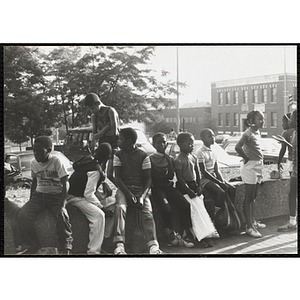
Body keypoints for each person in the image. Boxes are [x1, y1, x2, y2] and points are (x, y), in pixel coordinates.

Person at [18, 136, 73, 254]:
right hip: (39, 196)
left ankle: (65, 247)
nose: (36, 154)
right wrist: (30, 199)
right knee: (23, 214)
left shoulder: (56, 161)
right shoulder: (33, 163)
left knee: (62, 216)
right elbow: (34, 182)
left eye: (39, 151)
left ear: (48, 150)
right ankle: (34, 245)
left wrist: (62, 204)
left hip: (55, 196)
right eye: (34, 151)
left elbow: (66, 183)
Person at [112, 127, 162, 254]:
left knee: (147, 211)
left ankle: (153, 245)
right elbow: (117, 178)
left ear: (129, 141)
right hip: (124, 189)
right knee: (120, 208)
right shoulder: (118, 155)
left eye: (121, 139)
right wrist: (128, 194)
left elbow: (148, 180)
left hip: (140, 189)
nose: (118, 141)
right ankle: (119, 244)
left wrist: (142, 196)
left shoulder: (143, 156)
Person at [67, 143, 113, 255]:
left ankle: (103, 240)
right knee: (99, 215)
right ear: (108, 157)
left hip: (77, 193)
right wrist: (101, 207)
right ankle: (94, 251)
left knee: (112, 203)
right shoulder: (95, 169)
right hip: (75, 197)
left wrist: (103, 182)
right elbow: (88, 194)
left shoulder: (88, 160)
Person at [150, 132, 194, 248]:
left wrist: (169, 162)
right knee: (166, 208)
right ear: (153, 144)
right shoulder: (150, 159)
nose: (162, 145)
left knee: (185, 204)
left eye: (164, 142)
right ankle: (169, 232)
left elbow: (170, 177)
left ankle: (184, 233)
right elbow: (150, 178)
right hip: (157, 189)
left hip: (168, 187)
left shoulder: (169, 158)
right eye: (159, 143)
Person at [174, 132, 215, 247]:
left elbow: (197, 173)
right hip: (184, 188)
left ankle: (206, 235)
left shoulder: (194, 157)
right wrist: (188, 191)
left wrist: (199, 186)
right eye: (189, 144)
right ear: (180, 144)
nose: (192, 146)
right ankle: (196, 237)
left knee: (201, 210)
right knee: (193, 212)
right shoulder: (178, 160)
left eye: (192, 144)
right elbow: (180, 178)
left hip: (193, 186)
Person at [235, 110, 266, 238]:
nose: (262, 121)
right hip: (250, 167)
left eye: (263, 119)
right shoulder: (247, 133)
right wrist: (246, 158)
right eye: (260, 119)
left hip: (258, 165)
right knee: (249, 197)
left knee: (253, 196)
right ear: (251, 122)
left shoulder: (257, 132)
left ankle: (252, 221)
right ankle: (249, 226)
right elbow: (237, 147)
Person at [195, 128, 236, 216]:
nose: (213, 138)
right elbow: (204, 171)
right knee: (220, 192)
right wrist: (219, 183)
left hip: (214, 176)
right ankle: (217, 214)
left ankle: (229, 209)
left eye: (213, 135)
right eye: (209, 136)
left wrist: (222, 181)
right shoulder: (200, 152)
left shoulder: (214, 150)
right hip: (204, 179)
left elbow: (216, 170)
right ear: (203, 138)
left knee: (232, 188)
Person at [84, 92, 120, 184]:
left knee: (110, 174)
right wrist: (106, 129)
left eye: (92, 108)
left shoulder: (110, 111)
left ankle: (119, 190)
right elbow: (94, 136)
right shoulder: (94, 116)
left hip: (113, 145)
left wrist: (101, 133)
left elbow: (114, 133)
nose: (92, 111)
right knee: (98, 172)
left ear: (98, 103)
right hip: (102, 146)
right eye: (89, 109)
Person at [278, 109, 297, 231]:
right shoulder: (295, 132)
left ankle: (292, 222)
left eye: (292, 118)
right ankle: (292, 221)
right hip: (295, 168)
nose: (289, 120)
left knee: (292, 194)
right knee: (292, 194)